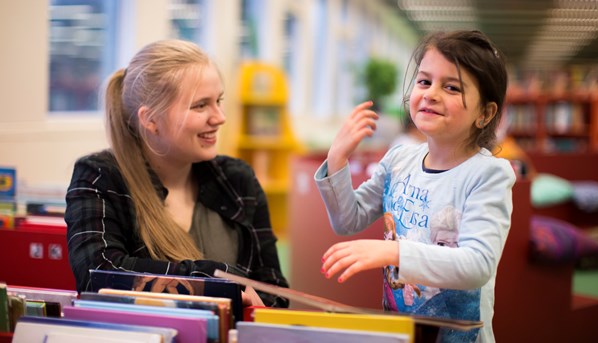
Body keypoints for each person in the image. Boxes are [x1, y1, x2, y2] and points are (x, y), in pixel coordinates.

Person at [315, 30, 516, 342]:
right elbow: (347, 219)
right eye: (424, 81)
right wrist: (337, 158)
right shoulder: (400, 159)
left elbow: (477, 264)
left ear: (485, 113)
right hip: (400, 333)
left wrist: (393, 251)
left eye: (451, 87)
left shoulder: (489, 174)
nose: (431, 93)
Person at [64, 39, 289, 308]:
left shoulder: (238, 180)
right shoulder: (100, 176)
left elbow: (276, 290)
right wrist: (216, 282)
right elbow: (98, 277)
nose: (219, 117)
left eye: (218, 101)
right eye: (200, 105)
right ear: (151, 120)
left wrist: (262, 302)